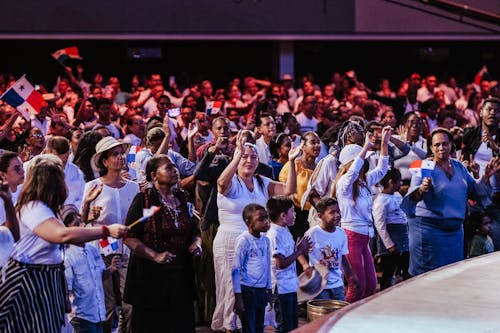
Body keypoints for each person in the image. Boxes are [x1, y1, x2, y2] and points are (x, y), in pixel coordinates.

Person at [0, 154, 128, 333]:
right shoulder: (33, 207)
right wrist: (105, 230)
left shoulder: (46, 209)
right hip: (29, 281)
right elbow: (61, 235)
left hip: (44, 280)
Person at [212, 131, 299, 333]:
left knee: (252, 287)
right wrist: (237, 155)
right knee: (232, 289)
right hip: (230, 241)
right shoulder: (231, 180)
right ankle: (230, 328)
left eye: (253, 157)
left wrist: (292, 162)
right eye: (245, 156)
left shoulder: (262, 181)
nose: (249, 161)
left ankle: (248, 327)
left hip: (255, 241)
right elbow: (221, 185)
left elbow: (289, 190)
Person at [401, 128, 500, 276]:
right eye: (437, 145)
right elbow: (413, 197)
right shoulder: (423, 165)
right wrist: (422, 189)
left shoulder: (459, 166)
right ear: (431, 148)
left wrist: (485, 176)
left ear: (451, 145)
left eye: (445, 144)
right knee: (427, 277)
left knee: (452, 276)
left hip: (454, 233)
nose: (442, 148)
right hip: (429, 231)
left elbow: (475, 190)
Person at [123, 154, 201, 333]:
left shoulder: (182, 197)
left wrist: (196, 244)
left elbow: (194, 231)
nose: (175, 170)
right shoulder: (144, 200)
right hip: (151, 280)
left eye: (175, 167)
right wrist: (155, 256)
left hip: (180, 278)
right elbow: (129, 236)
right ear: (153, 176)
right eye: (168, 168)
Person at [84, 136, 140, 333]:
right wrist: (88, 211)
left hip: (127, 251)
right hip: (101, 252)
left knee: (130, 304)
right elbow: (82, 222)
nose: (120, 157)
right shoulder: (92, 186)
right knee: (108, 307)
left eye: (121, 153)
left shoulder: (133, 187)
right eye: (115, 154)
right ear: (104, 161)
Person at [332, 126, 392, 302]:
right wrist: (365, 147)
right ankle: (342, 320)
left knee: (371, 286)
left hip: (364, 238)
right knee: (356, 285)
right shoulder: (344, 183)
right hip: (351, 237)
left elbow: (382, 169)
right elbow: (351, 172)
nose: (364, 163)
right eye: (360, 160)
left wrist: (385, 144)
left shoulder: (363, 181)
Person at [62, 204, 121, 333]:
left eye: (82, 224)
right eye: (76, 226)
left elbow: (99, 275)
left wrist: (111, 269)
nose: (82, 228)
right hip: (81, 316)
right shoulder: (67, 256)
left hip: (98, 314)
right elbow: (67, 288)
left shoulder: (92, 249)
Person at [266, 196, 311, 333]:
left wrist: (298, 251)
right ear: (283, 215)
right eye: (293, 211)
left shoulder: (284, 230)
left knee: (292, 325)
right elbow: (281, 263)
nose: (295, 214)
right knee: (284, 326)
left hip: (289, 286)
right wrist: (299, 251)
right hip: (280, 288)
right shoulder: (274, 234)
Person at [303, 198, 356, 301]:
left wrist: (351, 275)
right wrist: (305, 265)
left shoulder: (341, 233)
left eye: (338, 211)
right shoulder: (313, 233)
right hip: (319, 286)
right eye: (332, 212)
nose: (337, 215)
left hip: (337, 285)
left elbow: (343, 257)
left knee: (339, 314)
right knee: (321, 315)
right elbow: (299, 251)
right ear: (320, 216)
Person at [232, 203, 272, 333]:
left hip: (261, 291)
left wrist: (269, 288)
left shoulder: (266, 240)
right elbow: (236, 269)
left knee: (260, 326)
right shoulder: (244, 240)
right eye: (261, 219)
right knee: (249, 327)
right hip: (248, 290)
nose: (266, 222)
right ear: (248, 222)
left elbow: (267, 265)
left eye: (267, 218)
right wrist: (238, 298)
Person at [279, 131, 321, 240]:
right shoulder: (292, 165)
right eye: (313, 142)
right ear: (303, 145)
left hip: (315, 215)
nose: (317, 145)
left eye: (318, 142)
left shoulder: (321, 167)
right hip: (296, 214)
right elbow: (284, 191)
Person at [373, 169, 410, 290]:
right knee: (389, 268)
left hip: (402, 236)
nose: (401, 184)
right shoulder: (381, 201)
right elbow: (380, 224)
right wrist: (389, 244)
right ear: (391, 182)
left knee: (405, 265)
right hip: (391, 237)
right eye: (399, 181)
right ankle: (385, 291)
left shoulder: (397, 195)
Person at [0, 151, 24, 225]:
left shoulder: (26, 190)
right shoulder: (1, 199)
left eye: (22, 167)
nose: (23, 171)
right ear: (3, 175)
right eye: (17, 169)